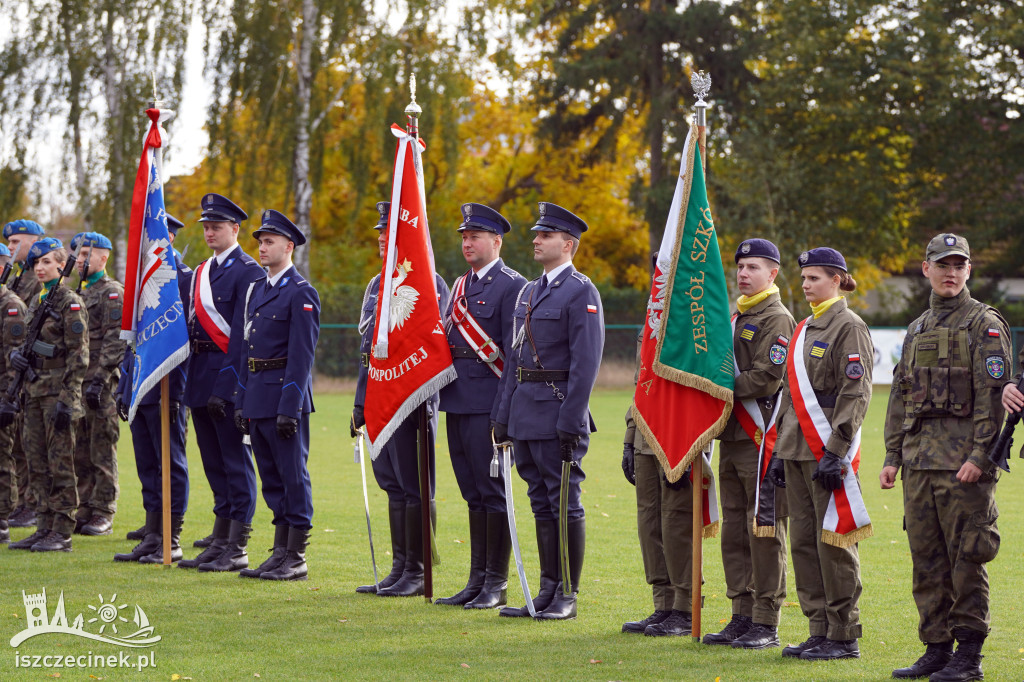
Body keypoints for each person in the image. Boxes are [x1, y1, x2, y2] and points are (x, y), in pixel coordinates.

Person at [882, 233, 1009, 682]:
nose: (950, 272)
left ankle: (968, 657)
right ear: (926, 269)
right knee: (927, 560)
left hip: (964, 469)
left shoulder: (984, 325)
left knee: (967, 559)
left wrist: (981, 457)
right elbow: (900, 397)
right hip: (919, 466)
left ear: (969, 270)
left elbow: (995, 401)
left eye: (959, 265)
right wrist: (893, 456)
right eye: (942, 264)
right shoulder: (916, 329)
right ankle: (936, 649)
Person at [493, 202, 604, 620]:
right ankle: (545, 590)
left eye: (545, 235)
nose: (536, 241)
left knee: (564, 504)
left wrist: (571, 420)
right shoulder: (528, 291)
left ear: (568, 244)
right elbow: (513, 360)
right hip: (524, 412)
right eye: (537, 234)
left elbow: (586, 364)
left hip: (557, 413)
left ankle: (567, 596)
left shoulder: (581, 292)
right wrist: (502, 415)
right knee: (540, 502)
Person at [766, 246, 872, 660]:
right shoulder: (805, 327)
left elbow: (855, 392)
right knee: (804, 543)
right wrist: (778, 451)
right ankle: (818, 629)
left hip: (826, 448)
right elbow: (790, 397)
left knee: (834, 542)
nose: (806, 284)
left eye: (814, 278)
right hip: (795, 448)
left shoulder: (850, 326)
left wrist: (837, 449)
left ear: (837, 279)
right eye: (804, 278)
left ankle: (843, 634)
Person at [351, 202, 451, 598]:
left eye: (389, 233)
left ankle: (418, 568)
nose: (380, 238)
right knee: (392, 484)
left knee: (415, 487)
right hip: (381, 396)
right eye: (379, 232)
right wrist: (361, 402)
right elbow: (368, 351)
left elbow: (429, 347)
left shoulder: (430, 282)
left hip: (413, 400)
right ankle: (399, 567)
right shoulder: (376, 285)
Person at [704, 239, 794, 648]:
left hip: (761, 439)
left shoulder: (777, 319)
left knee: (764, 530)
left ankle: (765, 619)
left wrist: (713, 386)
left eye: (753, 267)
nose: (743, 273)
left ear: (772, 274)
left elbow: (765, 378)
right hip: (731, 436)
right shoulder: (735, 315)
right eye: (740, 266)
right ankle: (740, 613)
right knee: (735, 533)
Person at [436, 203, 526, 609]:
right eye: (464, 237)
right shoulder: (459, 287)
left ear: (497, 241)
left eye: (474, 237)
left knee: (494, 495)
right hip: (457, 401)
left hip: (488, 405)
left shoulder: (512, 285)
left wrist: (503, 413)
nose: (467, 243)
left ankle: (496, 582)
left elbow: (513, 355)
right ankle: (476, 579)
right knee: (472, 494)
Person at [231, 209, 320, 581]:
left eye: (269, 242)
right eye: (260, 242)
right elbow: (245, 349)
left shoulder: (300, 293)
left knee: (292, 476)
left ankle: (295, 557)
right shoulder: (258, 290)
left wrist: (291, 406)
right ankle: (279, 551)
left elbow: (302, 356)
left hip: (284, 398)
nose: (262, 248)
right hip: (257, 395)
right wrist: (241, 400)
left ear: (289, 246)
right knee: (270, 476)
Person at [178, 193, 264, 572]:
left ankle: (238, 544)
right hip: (200, 372)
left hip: (227, 377)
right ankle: (220, 536)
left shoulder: (248, 270)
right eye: (206, 226)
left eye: (216, 226)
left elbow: (244, 336)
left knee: (234, 460)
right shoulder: (201, 271)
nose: (209, 232)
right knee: (213, 462)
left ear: (235, 229)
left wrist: (227, 386)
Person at [113, 213, 192, 563]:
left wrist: (177, 390)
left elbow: (183, 340)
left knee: (169, 464)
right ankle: (152, 533)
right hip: (141, 385)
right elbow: (132, 342)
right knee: (147, 464)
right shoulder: (139, 285)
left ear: (168, 238)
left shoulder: (184, 280)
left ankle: (170, 537)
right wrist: (125, 387)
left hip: (168, 386)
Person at [5, 238, 89, 552]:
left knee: (61, 463)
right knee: (37, 462)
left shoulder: (69, 301)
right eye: (36, 263)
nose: (39, 268)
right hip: (34, 391)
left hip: (58, 393)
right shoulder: (41, 300)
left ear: (60, 266)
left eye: (45, 263)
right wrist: (17, 359)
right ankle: (43, 525)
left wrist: (69, 398)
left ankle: (63, 530)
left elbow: (78, 355)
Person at [621, 308, 698, 637]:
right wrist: (629, 438)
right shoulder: (650, 319)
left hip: (676, 438)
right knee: (649, 523)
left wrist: (690, 449)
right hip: (644, 435)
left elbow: (698, 391)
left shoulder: (695, 324)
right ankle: (663, 605)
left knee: (676, 524)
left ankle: (684, 607)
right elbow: (642, 384)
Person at [69, 231, 127, 537]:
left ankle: (104, 509)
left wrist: (102, 379)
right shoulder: (76, 292)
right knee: (79, 448)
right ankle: (85, 507)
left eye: (85, 255)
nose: (80, 261)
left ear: (103, 257)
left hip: (100, 384)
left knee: (102, 447)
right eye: (77, 255)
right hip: (78, 382)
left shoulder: (111, 292)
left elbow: (115, 340)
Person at [3, 218, 44, 529]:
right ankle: (20, 502)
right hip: (16, 371)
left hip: (29, 374)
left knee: (26, 443)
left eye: (17, 242)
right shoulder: (16, 279)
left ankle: (30, 504)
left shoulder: (38, 279)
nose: (12, 247)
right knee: (15, 444)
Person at [0, 243, 27, 544]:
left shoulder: (11, 305)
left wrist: (9, 399)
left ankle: (2, 520)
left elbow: (13, 358)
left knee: (2, 459)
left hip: (2, 392)